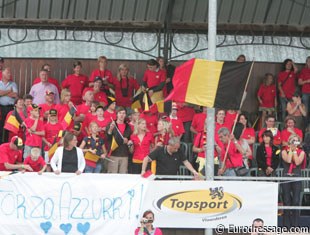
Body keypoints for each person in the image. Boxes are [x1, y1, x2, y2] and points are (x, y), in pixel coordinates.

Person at [281, 134, 305, 228]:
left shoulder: (301, 152)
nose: (294, 142)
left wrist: (295, 151)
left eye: (296, 141)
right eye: (293, 140)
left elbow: (298, 162)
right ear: (289, 141)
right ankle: (286, 225)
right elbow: (288, 160)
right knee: (286, 201)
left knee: (295, 201)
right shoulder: (284, 151)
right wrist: (291, 150)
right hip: (286, 176)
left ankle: (295, 225)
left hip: (296, 176)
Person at [106, 106, 132, 173]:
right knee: (112, 176)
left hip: (124, 154)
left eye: (123, 113)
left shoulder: (128, 126)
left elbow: (130, 138)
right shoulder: (111, 124)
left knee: (123, 176)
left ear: (125, 115)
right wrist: (111, 129)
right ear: (117, 114)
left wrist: (128, 140)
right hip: (114, 154)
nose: (121, 115)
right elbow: (108, 137)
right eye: (120, 113)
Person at [0, 67, 18, 143]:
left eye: (9, 73)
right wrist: (9, 91)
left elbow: (15, 95)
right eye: (7, 73)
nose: (9, 74)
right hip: (1, 108)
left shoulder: (13, 84)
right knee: (1, 126)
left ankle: (9, 143)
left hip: (10, 108)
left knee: (10, 126)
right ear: (2, 73)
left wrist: (3, 93)